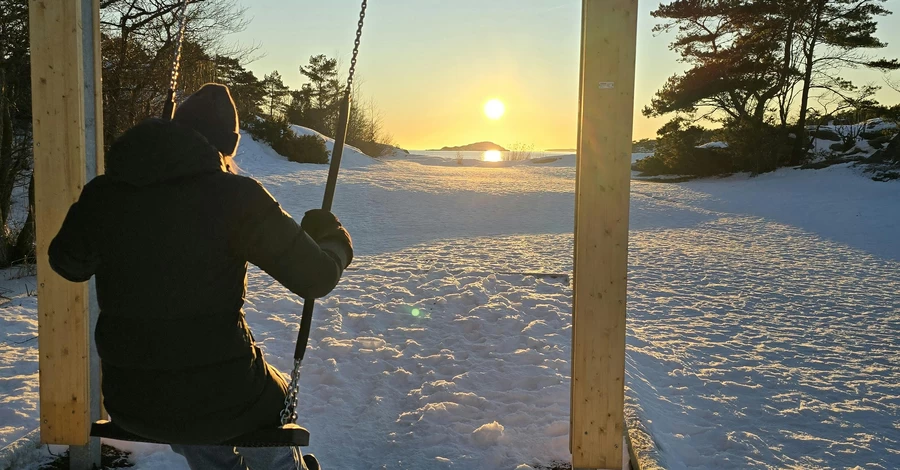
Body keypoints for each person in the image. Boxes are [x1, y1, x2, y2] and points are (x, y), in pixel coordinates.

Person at [48, 84, 352, 470]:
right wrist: (334, 240)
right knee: (271, 401)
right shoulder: (236, 197)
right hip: (221, 396)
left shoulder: (105, 193)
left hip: (132, 399)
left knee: (194, 416)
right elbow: (316, 278)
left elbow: (67, 263)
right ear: (226, 145)